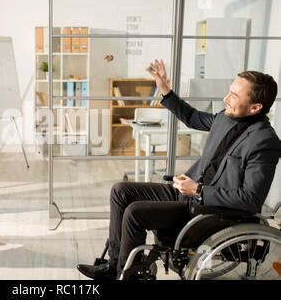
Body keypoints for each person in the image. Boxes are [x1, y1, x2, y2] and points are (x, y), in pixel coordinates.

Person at [78, 59, 281, 279]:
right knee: (121, 191)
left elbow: (250, 199)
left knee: (135, 212)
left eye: (234, 96)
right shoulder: (226, 117)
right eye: (229, 92)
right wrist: (165, 89)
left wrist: (199, 190)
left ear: (255, 107)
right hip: (188, 192)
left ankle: (127, 275)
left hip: (209, 209)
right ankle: (114, 266)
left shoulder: (265, 142)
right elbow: (192, 117)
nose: (226, 99)